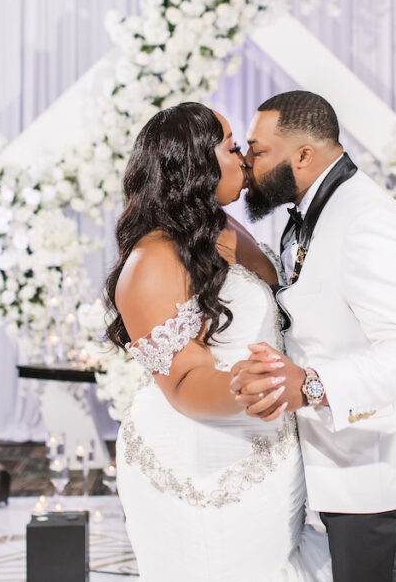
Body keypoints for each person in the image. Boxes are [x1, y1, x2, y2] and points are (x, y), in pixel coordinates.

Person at [231, 90, 396, 582]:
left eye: (258, 150)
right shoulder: (315, 209)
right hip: (359, 466)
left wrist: (309, 384)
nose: (248, 162)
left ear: (303, 156)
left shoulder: (368, 219)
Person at [104, 102, 331, 582]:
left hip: (266, 443)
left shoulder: (219, 227)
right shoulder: (152, 261)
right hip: (200, 461)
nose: (245, 160)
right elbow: (185, 380)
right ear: (194, 164)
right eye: (232, 148)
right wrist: (249, 387)